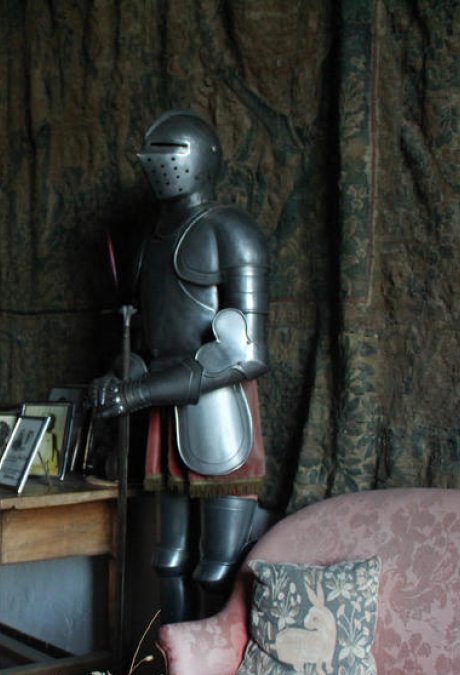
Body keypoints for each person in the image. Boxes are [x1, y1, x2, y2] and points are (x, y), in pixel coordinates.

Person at [91, 110, 272, 623]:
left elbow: (247, 353)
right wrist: (118, 374)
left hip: (218, 406)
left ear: (199, 160)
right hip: (160, 408)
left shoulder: (230, 232)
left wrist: (142, 392)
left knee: (219, 566)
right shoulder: (148, 247)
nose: (156, 164)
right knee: (167, 560)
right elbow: (144, 337)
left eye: (168, 153)